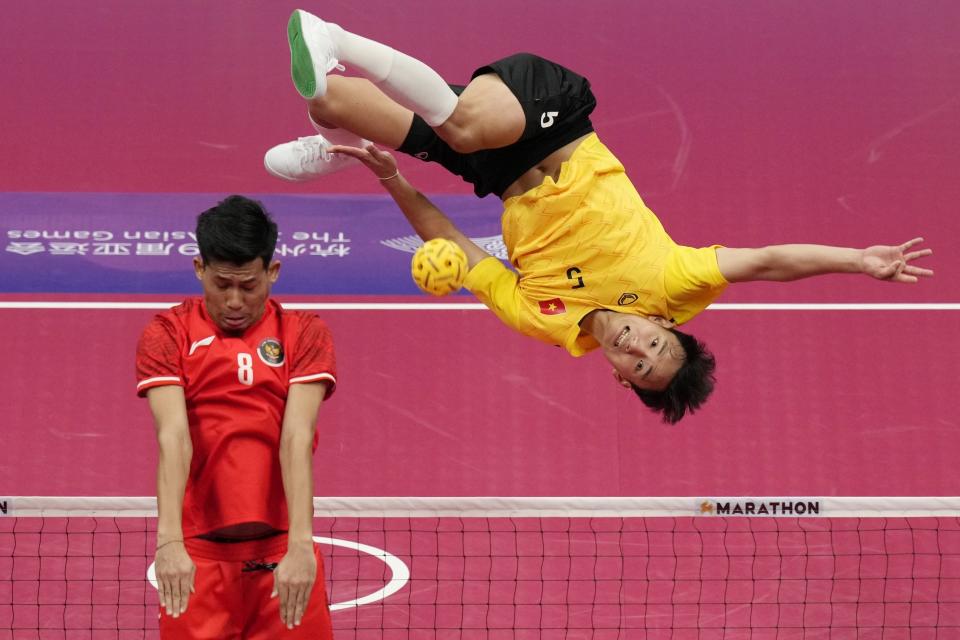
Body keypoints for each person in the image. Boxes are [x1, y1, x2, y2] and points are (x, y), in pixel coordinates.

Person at [264, 10, 933, 423]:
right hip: (555, 118)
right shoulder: (674, 283)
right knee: (465, 125)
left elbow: (462, 254)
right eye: (657, 347)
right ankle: (335, 34)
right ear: (664, 324)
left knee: (330, 104)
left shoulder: (548, 323)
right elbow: (765, 262)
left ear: (618, 375)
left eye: (640, 367)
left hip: (496, 172)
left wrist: (393, 180)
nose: (639, 351)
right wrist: (857, 260)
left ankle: (340, 147)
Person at [135, 195, 337, 638]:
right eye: (221, 283)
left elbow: (296, 439)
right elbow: (173, 438)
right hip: (199, 559)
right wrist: (168, 542)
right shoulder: (167, 332)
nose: (233, 300)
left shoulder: (304, 332)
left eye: (248, 285)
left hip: (282, 550)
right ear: (199, 269)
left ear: (273, 271)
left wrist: (302, 545)